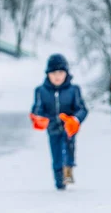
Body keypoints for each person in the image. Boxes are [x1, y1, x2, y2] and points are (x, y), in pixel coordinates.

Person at [29, 54, 88, 190]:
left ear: (66, 74)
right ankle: (59, 181)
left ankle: (68, 176)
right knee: (56, 154)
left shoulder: (74, 90)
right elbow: (37, 109)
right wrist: (38, 118)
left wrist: (75, 119)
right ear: (48, 74)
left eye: (61, 72)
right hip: (52, 128)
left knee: (68, 151)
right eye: (54, 73)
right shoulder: (41, 91)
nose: (57, 76)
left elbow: (82, 109)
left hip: (69, 129)